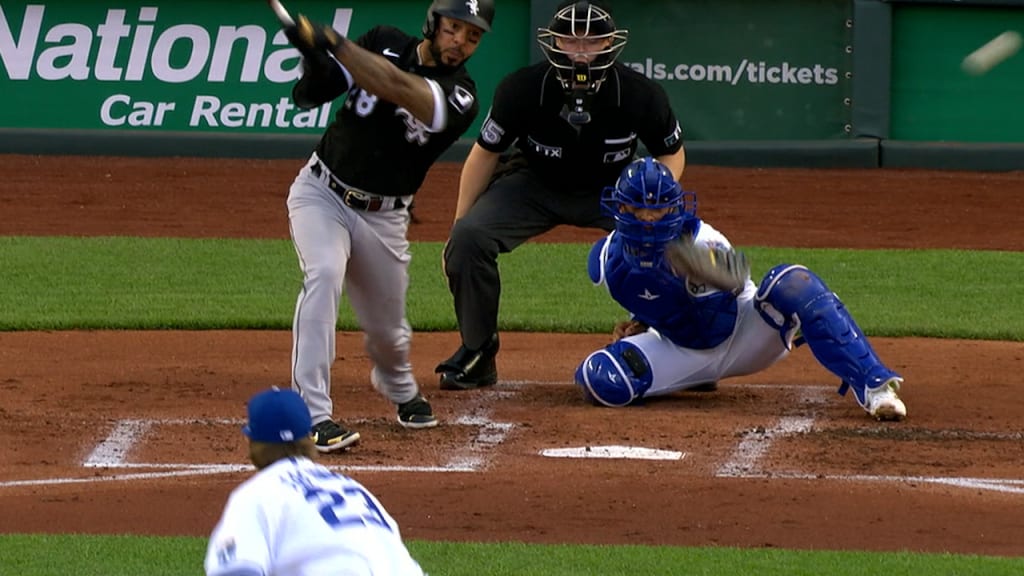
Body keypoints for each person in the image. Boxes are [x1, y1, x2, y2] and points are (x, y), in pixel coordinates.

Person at [278, 0, 496, 451]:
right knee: (323, 275)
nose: (460, 42)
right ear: (435, 23)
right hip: (321, 193)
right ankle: (313, 414)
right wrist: (313, 55)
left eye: (472, 36)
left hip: (385, 216)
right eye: (455, 28)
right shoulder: (382, 40)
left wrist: (333, 41)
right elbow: (315, 91)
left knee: (389, 335)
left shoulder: (461, 95)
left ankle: (398, 388)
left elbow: (396, 86)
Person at [437, 0, 684, 390]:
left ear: (609, 44)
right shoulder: (522, 88)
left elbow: (671, 152)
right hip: (535, 182)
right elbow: (485, 153)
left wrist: (653, 196)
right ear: (553, 43)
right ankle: (478, 350)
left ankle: (672, 347)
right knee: (469, 239)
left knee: (671, 241)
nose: (582, 51)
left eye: (592, 40)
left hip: (614, 189)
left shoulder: (640, 93)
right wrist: (457, 226)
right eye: (571, 40)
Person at [573, 157, 908, 421]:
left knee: (793, 282)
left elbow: (729, 292)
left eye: (658, 207)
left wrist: (702, 270)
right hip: (681, 351)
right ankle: (694, 379)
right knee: (600, 380)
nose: (648, 217)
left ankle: (876, 388)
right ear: (621, 208)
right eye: (639, 207)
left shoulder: (704, 241)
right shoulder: (605, 261)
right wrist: (641, 323)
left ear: (674, 207)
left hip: (744, 337)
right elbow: (653, 296)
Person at [205, 387, 427, 576]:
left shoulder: (257, 495)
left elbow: (236, 571)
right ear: (310, 438)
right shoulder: (353, 489)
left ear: (250, 440)